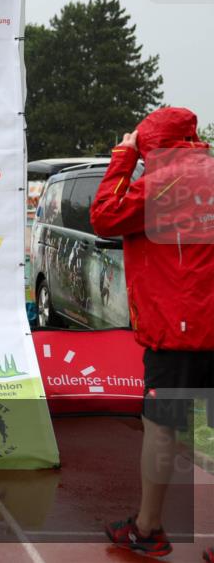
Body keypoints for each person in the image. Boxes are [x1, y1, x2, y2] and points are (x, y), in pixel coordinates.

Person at [90, 107, 214, 559]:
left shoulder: (164, 182)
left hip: (179, 328)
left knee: (162, 428)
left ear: (151, 144)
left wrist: (122, 156)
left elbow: (104, 216)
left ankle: (148, 528)